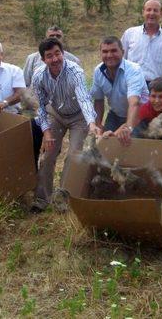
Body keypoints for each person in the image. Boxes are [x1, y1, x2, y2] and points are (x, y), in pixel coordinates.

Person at [31, 37, 98, 212]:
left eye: (57, 54)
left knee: (73, 156)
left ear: (63, 53)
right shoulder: (38, 76)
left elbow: (84, 97)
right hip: (56, 115)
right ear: (43, 59)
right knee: (48, 155)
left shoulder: (75, 71)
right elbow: (40, 106)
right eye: (49, 56)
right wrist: (46, 132)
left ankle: (63, 198)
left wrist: (91, 123)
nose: (55, 59)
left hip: (79, 117)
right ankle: (42, 199)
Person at [23, 26, 80, 170]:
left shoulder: (73, 60)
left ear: (62, 39)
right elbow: (26, 84)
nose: (54, 38)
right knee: (34, 144)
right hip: (37, 108)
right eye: (51, 35)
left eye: (58, 36)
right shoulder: (32, 59)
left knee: (53, 148)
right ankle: (34, 174)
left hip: (62, 110)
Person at [91, 36, 148, 145]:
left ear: (122, 52)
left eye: (113, 51)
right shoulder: (98, 71)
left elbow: (134, 103)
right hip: (116, 114)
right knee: (103, 144)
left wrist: (128, 128)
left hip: (138, 116)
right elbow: (98, 100)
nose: (109, 55)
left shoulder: (133, 70)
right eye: (105, 52)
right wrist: (98, 125)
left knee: (127, 145)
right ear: (100, 54)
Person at [121, 0, 162, 98]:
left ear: (161, 13)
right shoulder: (130, 34)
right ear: (143, 12)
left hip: (157, 90)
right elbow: (121, 62)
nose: (151, 13)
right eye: (148, 10)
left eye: (155, 10)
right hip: (131, 86)